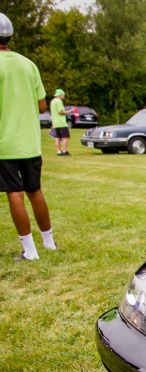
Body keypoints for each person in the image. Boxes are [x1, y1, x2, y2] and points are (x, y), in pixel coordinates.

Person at [0, 13, 57, 260]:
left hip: (5, 143)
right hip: (31, 144)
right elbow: (42, 106)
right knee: (35, 191)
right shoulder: (28, 64)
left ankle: (30, 252)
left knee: (15, 193)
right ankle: (49, 243)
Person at [50, 88, 73, 156]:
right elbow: (60, 112)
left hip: (55, 123)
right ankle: (65, 151)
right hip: (61, 122)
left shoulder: (52, 101)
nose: (64, 96)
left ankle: (58, 152)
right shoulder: (59, 101)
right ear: (60, 94)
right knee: (65, 137)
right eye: (63, 95)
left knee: (57, 138)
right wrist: (69, 111)